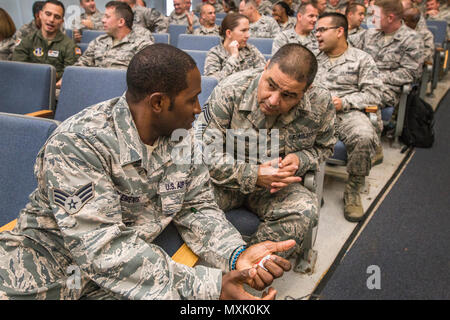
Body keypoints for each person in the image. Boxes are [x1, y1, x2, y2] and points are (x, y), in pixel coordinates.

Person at [0, 43, 295, 300]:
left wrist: (236, 254)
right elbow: (101, 250)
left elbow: (197, 207)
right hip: (47, 269)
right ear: (158, 102)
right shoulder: (79, 144)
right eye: (191, 99)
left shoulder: (182, 136)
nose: (198, 109)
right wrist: (210, 286)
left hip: (134, 272)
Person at [196, 43, 336, 268]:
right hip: (226, 182)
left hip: (274, 189)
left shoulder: (321, 103)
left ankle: (251, 270)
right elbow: (203, 152)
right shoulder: (231, 90)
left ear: (307, 90)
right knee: (181, 200)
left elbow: (324, 147)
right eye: (270, 85)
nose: (273, 100)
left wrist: (301, 159)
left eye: (288, 95)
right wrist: (254, 174)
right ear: (266, 66)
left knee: (305, 209)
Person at [314, 12, 384, 221]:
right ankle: (307, 187)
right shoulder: (312, 58)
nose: (317, 35)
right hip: (316, 112)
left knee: (363, 136)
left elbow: (374, 94)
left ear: (339, 31)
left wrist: (344, 102)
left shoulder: (361, 59)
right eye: (316, 30)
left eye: (322, 30)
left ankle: (353, 190)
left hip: (348, 112)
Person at [353, 0, 424, 110]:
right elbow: (347, 43)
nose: (372, 20)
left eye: (376, 16)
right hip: (358, 82)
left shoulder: (412, 39)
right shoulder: (371, 33)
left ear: (390, 18)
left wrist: (375, 77)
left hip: (385, 89)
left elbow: (411, 73)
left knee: (349, 101)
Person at [12, 0, 80, 84]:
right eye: (48, 14)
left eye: (57, 17)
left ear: (62, 21)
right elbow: (17, 67)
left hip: (55, 88)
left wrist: (50, 76)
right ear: (40, 15)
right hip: (28, 84)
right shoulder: (28, 41)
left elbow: (71, 74)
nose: (51, 20)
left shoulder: (70, 46)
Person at [75, 1, 154, 69]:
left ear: (121, 22)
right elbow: (80, 65)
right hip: (96, 83)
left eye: (107, 17)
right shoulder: (98, 41)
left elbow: (144, 74)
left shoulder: (141, 44)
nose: (103, 20)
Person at [204, 13, 266, 81]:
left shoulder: (251, 50)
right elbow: (212, 82)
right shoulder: (214, 54)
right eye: (243, 30)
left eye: (248, 30)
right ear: (229, 33)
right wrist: (233, 58)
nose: (248, 35)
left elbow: (264, 75)